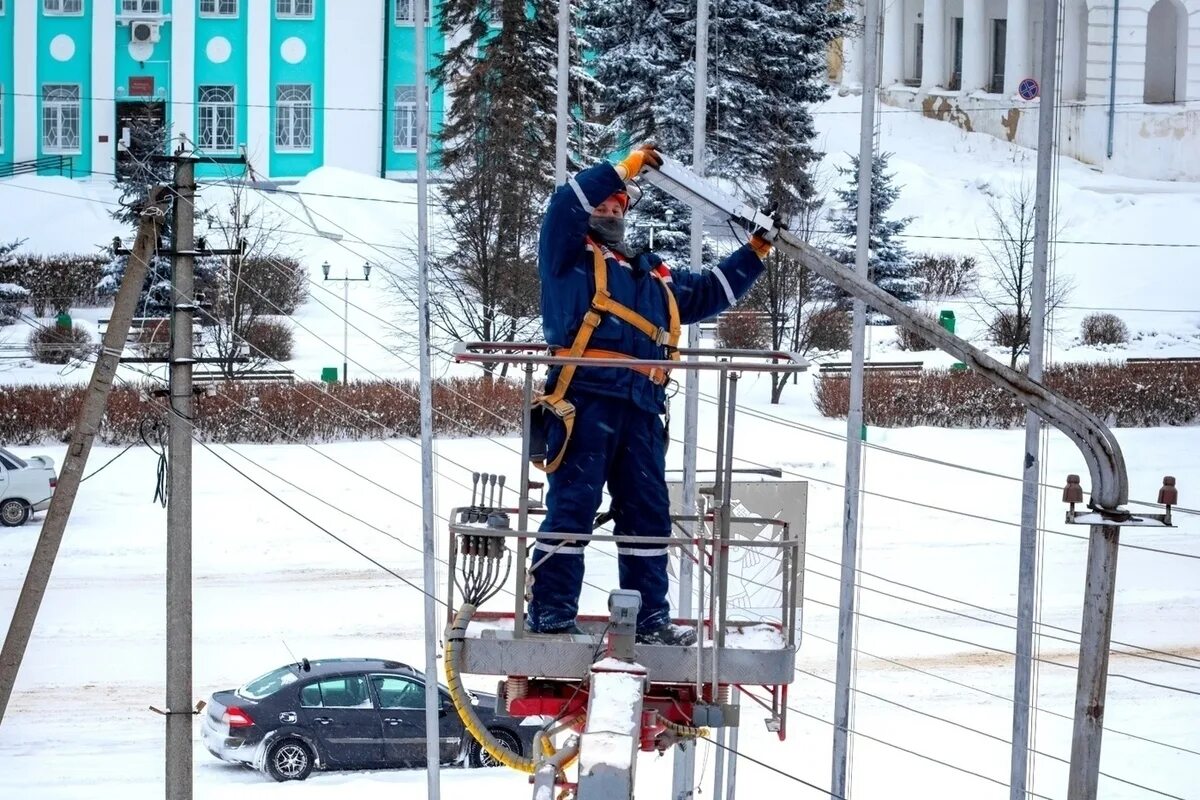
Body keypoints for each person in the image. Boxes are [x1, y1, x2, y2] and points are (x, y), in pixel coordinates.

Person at [528, 144, 772, 645]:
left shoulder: (650, 275)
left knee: (647, 514)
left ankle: (649, 621)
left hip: (641, 409)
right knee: (573, 505)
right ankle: (551, 613)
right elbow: (565, 204)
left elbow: (706, 294)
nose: (611, 215)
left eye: (619, 209)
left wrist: (754, 253)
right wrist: (624, 167)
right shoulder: (566, 255)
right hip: (584, 399)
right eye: (604, 208)